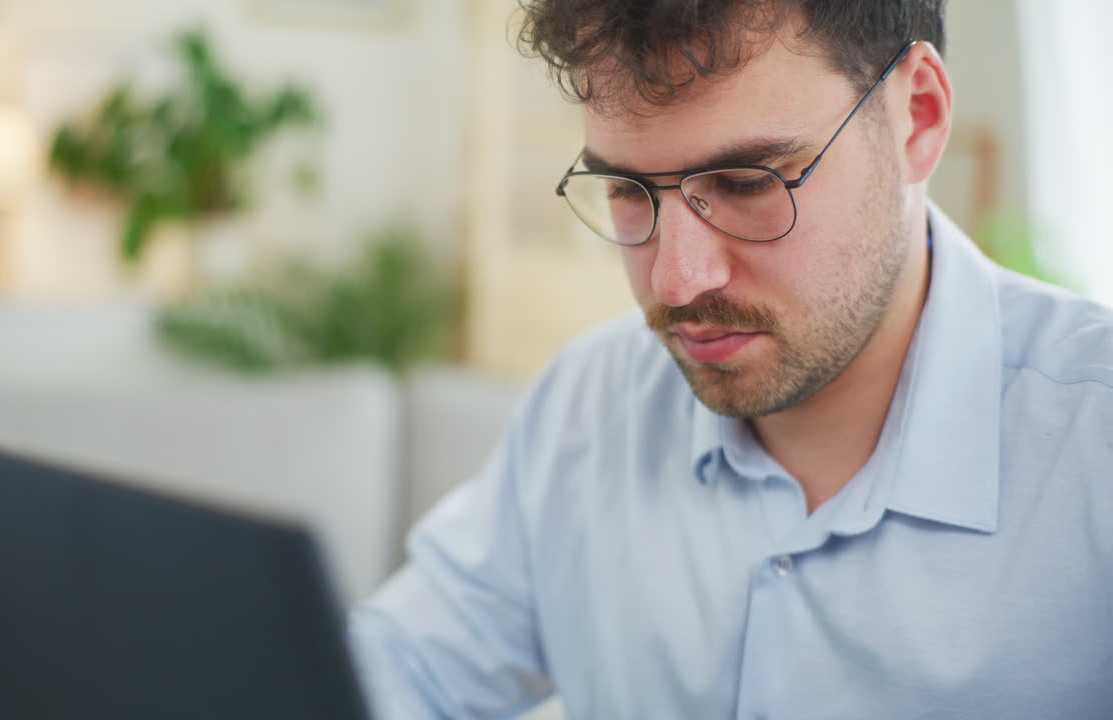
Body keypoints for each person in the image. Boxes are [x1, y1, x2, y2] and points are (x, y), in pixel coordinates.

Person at [350, 1, 1113, 717]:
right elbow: (391, 670)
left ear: (917, 115)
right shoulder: (587, 407)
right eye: (626, 189)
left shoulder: (1093, 451)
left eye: (748, 182)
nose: (676, 281)